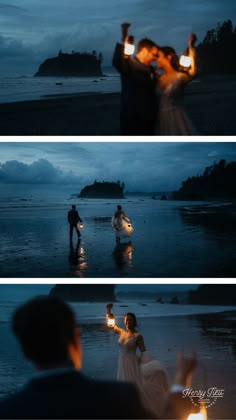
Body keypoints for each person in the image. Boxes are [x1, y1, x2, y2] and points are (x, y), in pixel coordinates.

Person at [0, 296, 198, 420]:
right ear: (76, 339)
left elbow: (143, 350)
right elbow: (170, 417)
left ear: (25, 351)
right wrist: (182, 378)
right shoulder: (119, 398)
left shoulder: (7, 411)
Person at [106, 308, 169, 418]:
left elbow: (143, 351)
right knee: (122, 385)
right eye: (126, 320)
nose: (127, 322)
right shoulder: (122, 332)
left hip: (131, 364)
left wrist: (149, 364)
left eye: (130, 320)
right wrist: (109, 311)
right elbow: (111, 326)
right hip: (122, 363)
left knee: (133, 386)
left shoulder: (138, 336)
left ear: (134, 322)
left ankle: (138, 411)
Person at [113, 23, 159, 135]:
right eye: (153, 54)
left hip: (150, 119)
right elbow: (118, 61)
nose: (155, 58)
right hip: (133, 120)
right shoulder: (130, 66)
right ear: (144, 51)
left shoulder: (151, 70)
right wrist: (124, 37)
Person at [155, 33, 198, 135]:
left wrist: (191, 47)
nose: (156, 59)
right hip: (160, 119)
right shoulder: (158, 78)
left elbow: (193, 71)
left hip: (177, 118)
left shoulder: (180, 77)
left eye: (159, 56)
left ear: (168, 57)